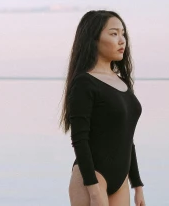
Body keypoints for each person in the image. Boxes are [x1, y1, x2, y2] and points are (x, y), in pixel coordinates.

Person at [61, 10, 145, 206]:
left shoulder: (123, 82)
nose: (122, 40)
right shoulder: (84, 83)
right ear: (93, 39)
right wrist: (94, 189)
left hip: (121, 179)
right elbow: (79, 139)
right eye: (114, 33)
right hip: (91, 177)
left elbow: (126, 138)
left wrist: (138, 186)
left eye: (123, 33)